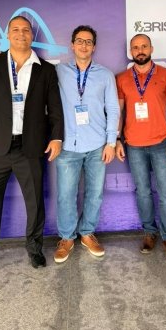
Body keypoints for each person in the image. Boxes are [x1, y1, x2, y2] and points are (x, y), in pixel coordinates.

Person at [0, 16, 64, 276]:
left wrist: (56, 137)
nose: (21, 34)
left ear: (32, 35)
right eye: (16, 30)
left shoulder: (46, 70)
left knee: (35, 203)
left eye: (26, 30)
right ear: (8, 35)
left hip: (30, 147)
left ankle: (35, 249)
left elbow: (54, 108)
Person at [53, 25, 119, 263]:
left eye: (88, 42)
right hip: (68, 146)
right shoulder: (58, 71)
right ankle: (67, 237)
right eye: (79, 41)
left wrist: (111, 142)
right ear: (72, 45)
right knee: (65, 195)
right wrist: (4, 57)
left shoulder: (105, 75)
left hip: (97, 145)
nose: (84, 45)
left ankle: (87, 233)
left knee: (95, 194)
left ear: (94, 47)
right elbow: (30, 69)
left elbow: (113, 109)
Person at [116, 34, 166, 261]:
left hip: (162, 143)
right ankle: (149, 233)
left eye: (144, 46)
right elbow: (118, 112)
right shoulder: (122, 78)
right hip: (134, 145)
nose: (140, 50)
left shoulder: (165, 75)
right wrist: (117, 139)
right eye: (135, 47)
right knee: (143, 192)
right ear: (131, 52)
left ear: (151, 48)